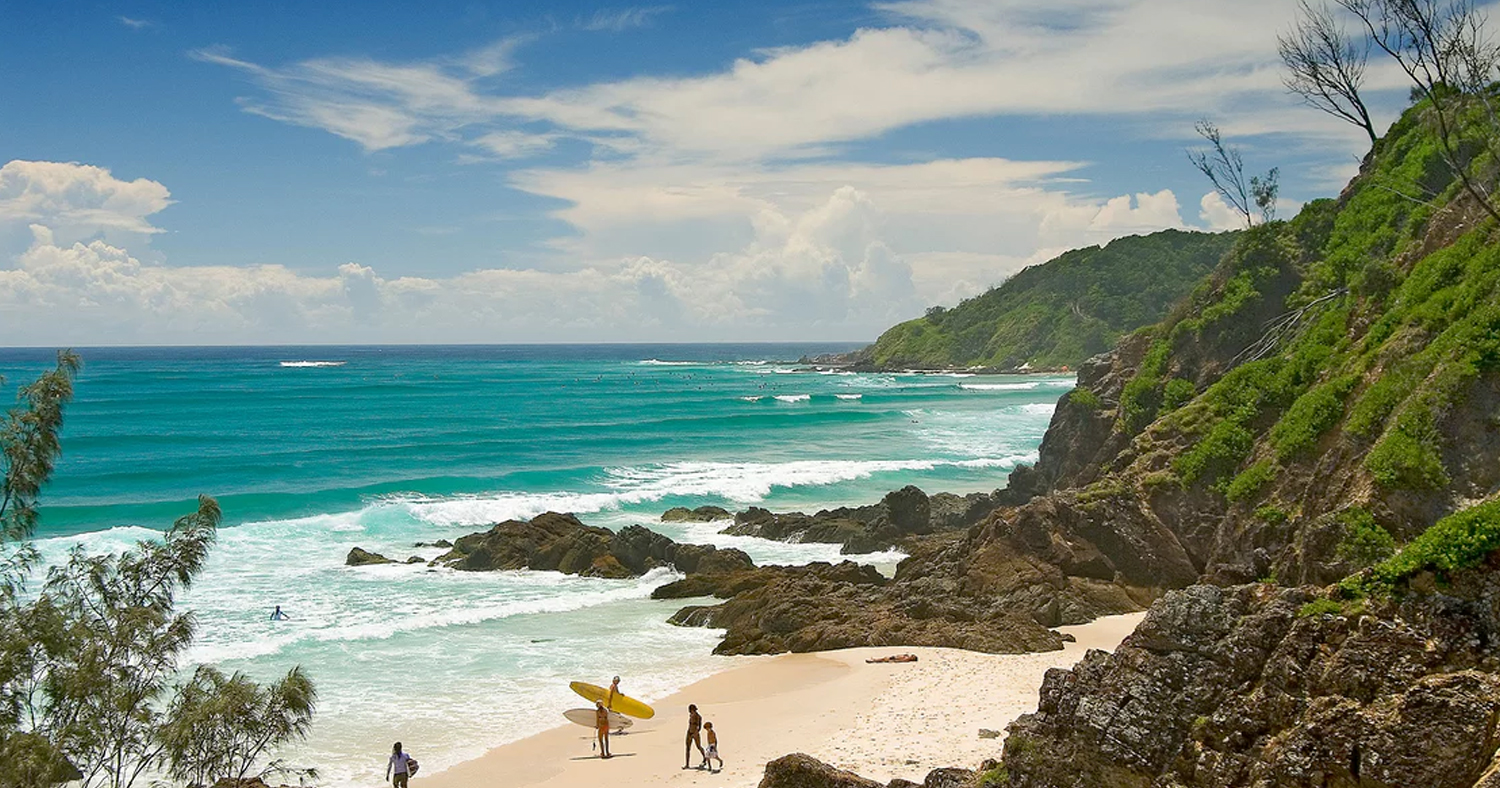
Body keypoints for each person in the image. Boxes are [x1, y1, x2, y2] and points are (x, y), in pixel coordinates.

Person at [684, 704, 706, 769]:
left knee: (698, 746)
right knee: (687, 748)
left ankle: (705, 757)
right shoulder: (691, 715)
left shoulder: (698, 717)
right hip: (689, 732)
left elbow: (698, 727)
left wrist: (694, 734)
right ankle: (687, 764)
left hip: (695, 733)